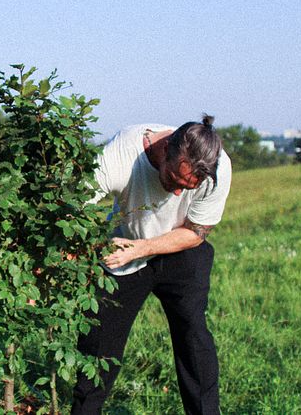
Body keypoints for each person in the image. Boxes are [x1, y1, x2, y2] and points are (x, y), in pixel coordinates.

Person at [71, 116, 231, 415]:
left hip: (180, 249)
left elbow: (196, 232)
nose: (178, 192)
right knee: (98, 346)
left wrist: (143, 248)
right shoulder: (120, 155)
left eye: (188, 187)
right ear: (166, 148)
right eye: (174, 179)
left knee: (193, 333)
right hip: (123, 248)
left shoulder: (217, 168)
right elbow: (70, 211)